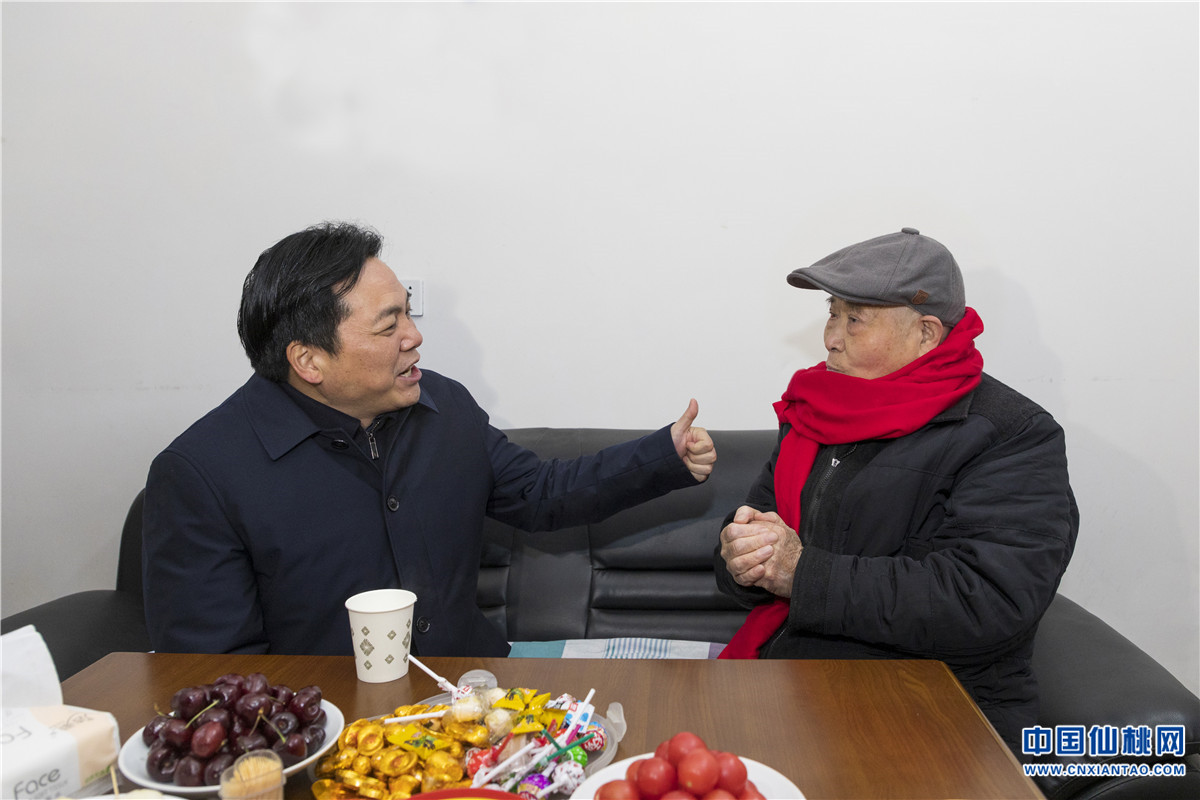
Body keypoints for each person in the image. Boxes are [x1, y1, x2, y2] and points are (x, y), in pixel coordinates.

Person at [143, 221, 716, 658]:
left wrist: (663, 455)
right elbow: (213, 673)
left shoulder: (443, 406)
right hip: (330, 736)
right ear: (309, 361)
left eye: (409, 315)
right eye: (388, 325)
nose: (414, 337)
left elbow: (541, 492)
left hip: (470, 701)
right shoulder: (202, 475)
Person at [715, 227, 1077, 749]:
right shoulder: (817, 407)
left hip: (935, 706)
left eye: (854, 320)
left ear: (926, 334)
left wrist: (800, 572)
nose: (831, 337)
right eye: (832, 313)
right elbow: (762, 522)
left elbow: (985, 600)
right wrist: (741, 555)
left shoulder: (1012, 434)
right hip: (802, 677)